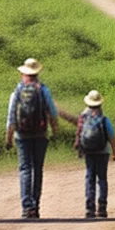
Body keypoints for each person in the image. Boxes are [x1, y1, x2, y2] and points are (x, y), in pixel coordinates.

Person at [5, 58, 77, 218]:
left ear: (24, 74)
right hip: (40, 134)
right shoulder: (43, 90)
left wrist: (8, 138)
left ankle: (26, 208)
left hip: (21, 135)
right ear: (37, 73)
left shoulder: (17, 91)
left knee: (25, 169)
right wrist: (55, 131)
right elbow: (52, 112)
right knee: (37, 169)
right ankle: (35, 207)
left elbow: (11, 117)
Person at [74, 89, 115, 218]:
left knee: (90, 178)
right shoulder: (104, 120)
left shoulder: (83, 118)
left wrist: (80, 149)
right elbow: (112, 138)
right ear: (100, 103)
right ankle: (102, 208)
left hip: (89, 152)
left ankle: (90, 209)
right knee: (102, 179)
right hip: (103, 152)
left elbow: (79, 134)